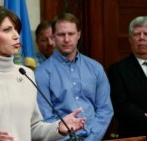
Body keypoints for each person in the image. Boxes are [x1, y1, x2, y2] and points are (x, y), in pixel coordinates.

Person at [0, 6, 85, 141]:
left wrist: (58, 128)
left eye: (16, 30)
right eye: (7, 30)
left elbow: (34, 128)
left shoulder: (26, 74)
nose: (16, 35)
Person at [35, 12, 114, 141]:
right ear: (53, 36)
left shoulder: (96, 68)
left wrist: (92, 139)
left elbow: (105, 110)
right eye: (61, 34)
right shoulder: (41, 73)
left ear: (79, 35)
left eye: (71, 34)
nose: (66, 39)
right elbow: (46, 118)